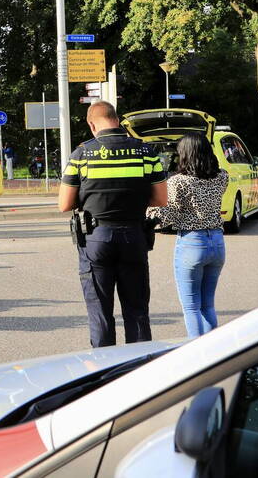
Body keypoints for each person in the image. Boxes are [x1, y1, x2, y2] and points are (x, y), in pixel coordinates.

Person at [58, 101, 168, 348]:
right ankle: (139, 370)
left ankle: (104, 374)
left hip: (96, 238)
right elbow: (161, 199)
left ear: (91, 124)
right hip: (134, 236)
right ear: (117, 121)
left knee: (100, 313)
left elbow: (64, 205)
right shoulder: (146, 152)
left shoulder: (81, 154)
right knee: (137, 311)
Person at [148, 134, 228, 338]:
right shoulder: (222, 177)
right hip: (217, 242)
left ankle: (197, 354)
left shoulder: (179, 182)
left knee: (191, 306)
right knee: (208, 304)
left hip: (192, 242)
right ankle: (215, 351)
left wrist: (150, 213)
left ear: (185, 154)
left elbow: (171, 212)